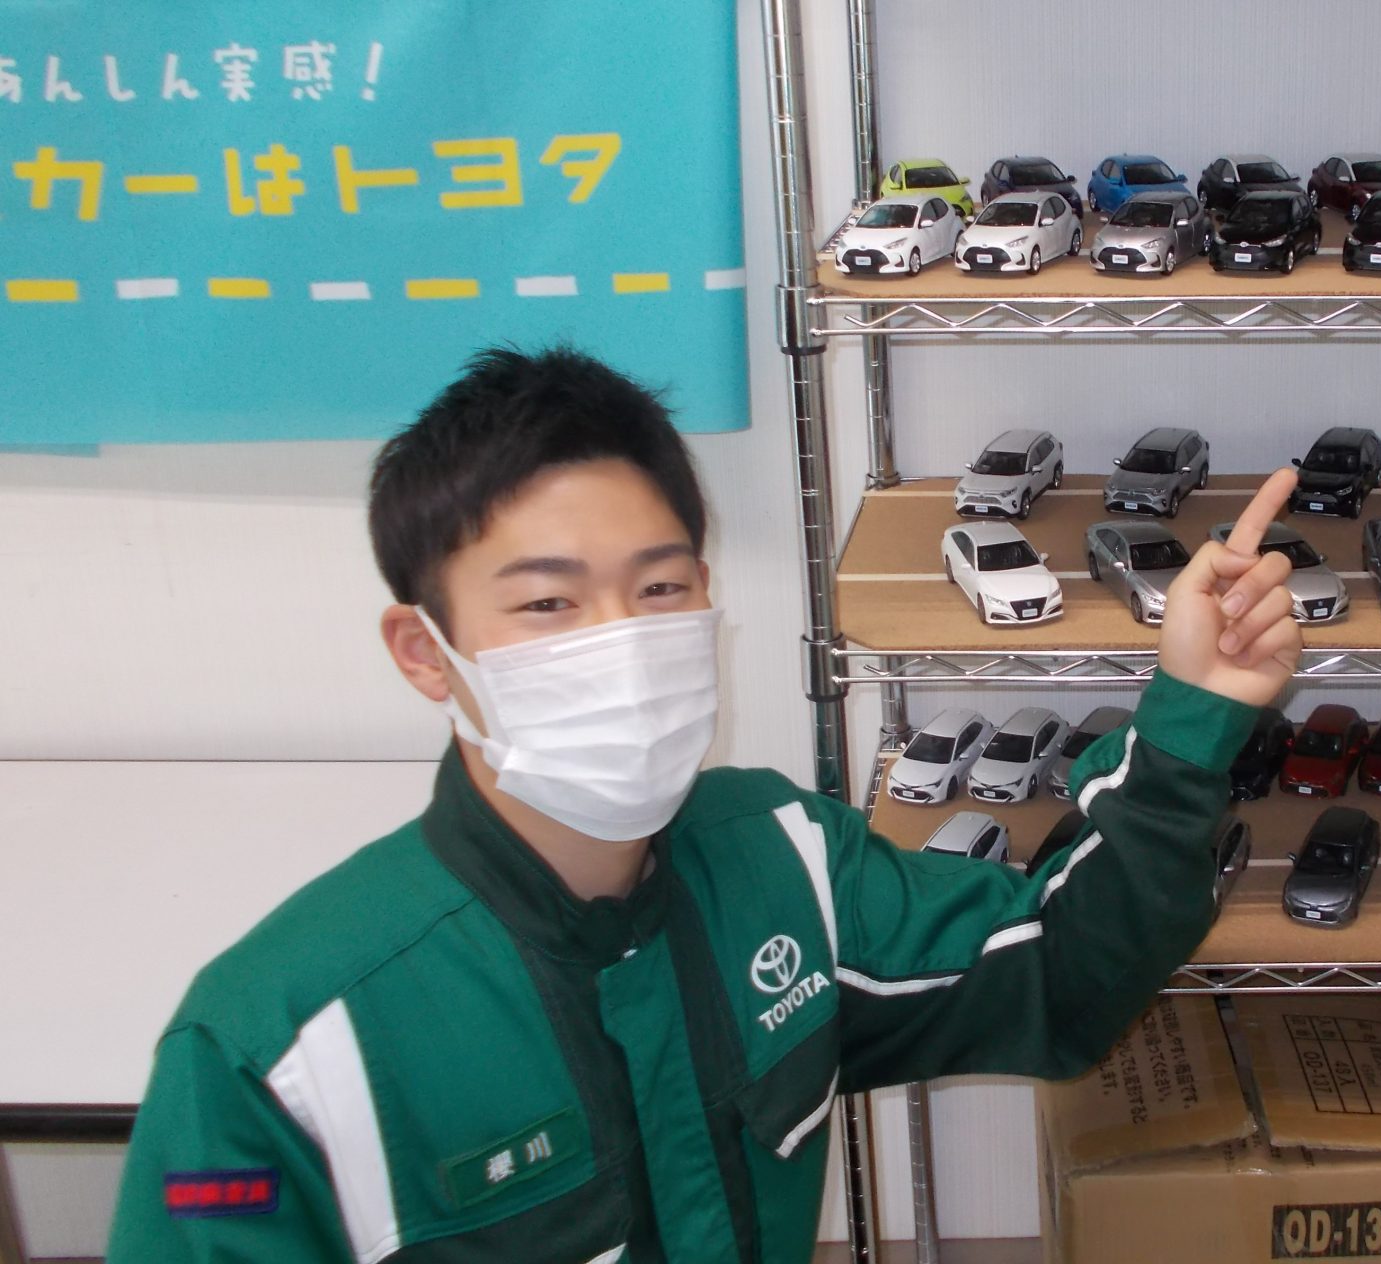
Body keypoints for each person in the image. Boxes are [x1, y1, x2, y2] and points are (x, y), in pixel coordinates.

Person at [107, 345, 1304, 1264]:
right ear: (426, 653)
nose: (621, 643)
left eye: (659, 588)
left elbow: (1055, 977)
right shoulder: (275, 1050)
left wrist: (1189, 716)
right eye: (547, 604)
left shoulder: (783, 862)